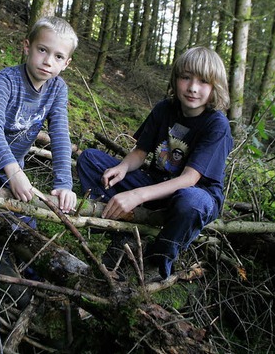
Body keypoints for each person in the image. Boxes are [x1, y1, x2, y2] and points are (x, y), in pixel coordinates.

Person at [76, 46, 233, 279]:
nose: (192, 88)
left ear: (215, 88)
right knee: (90, 159)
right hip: (155, 184)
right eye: (186, 77)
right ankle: (120, 228)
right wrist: (122, 168)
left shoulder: (217, 125)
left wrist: (137, 195)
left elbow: (190, 179)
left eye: (203, 81)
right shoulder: (164, 109)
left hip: (194, 195)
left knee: (191, 202)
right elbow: (140, 153)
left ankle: (158, 258)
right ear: (175, 79)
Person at [0, 16, 78, 215]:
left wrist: (64, 184)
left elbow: (60, 135)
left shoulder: (57, 89)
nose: (48, 61)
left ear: (66, 63)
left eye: (58, 57)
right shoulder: (6, 81)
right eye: (42, 50)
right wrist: (14, 171)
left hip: (12, 168)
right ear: (27, 46)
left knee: (22, 222)